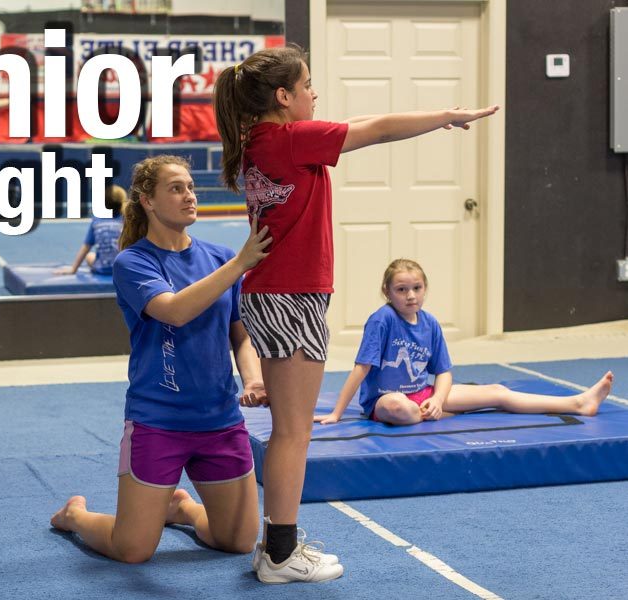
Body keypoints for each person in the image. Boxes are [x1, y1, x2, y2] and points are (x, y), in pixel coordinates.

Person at [212, 44, 498, 583]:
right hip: (290, 297)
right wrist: (446, 117)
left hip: (274, 295)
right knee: (295, 433)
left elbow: (363, 121)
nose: (314, 94)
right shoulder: (291, 140)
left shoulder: (263, 141)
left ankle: (275, 546)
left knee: (288, 429)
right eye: (307, 85)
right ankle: (279, 554)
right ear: (283, 96)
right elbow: (381, 128)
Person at [50, 155, 311, 575]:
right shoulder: (133, 262)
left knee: (238, 541)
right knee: (133, 549)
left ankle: (183, 508)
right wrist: (239, 265)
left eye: (190, 187)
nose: (189, 195)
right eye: (176, 188)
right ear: (147, 201)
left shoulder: (219, 257)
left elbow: (239, 334)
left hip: (219, 421)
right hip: (159, 422)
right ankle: (75, 516)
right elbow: (173, 310)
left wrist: (253, 377)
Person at [314, 259, 614, 425]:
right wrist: (338, 413)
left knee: (498, 392)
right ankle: (439, 413)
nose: (410, 296)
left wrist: (438, 400)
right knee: (398, 407)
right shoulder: (383, 320)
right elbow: (361, 369)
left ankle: (578, 403)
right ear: (387, 292)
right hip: (384, 400)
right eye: (401, 289)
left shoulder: (429, 323)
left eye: (416, 288)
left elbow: (443, 373)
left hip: (424, 394)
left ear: (425, 288)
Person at [54, 184, 126, 276]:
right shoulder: (126, 220)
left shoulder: (97, 220)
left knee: (89, 256)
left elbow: (86, 247)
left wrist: (73, 269)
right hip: (123, 268)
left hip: (102, 268)